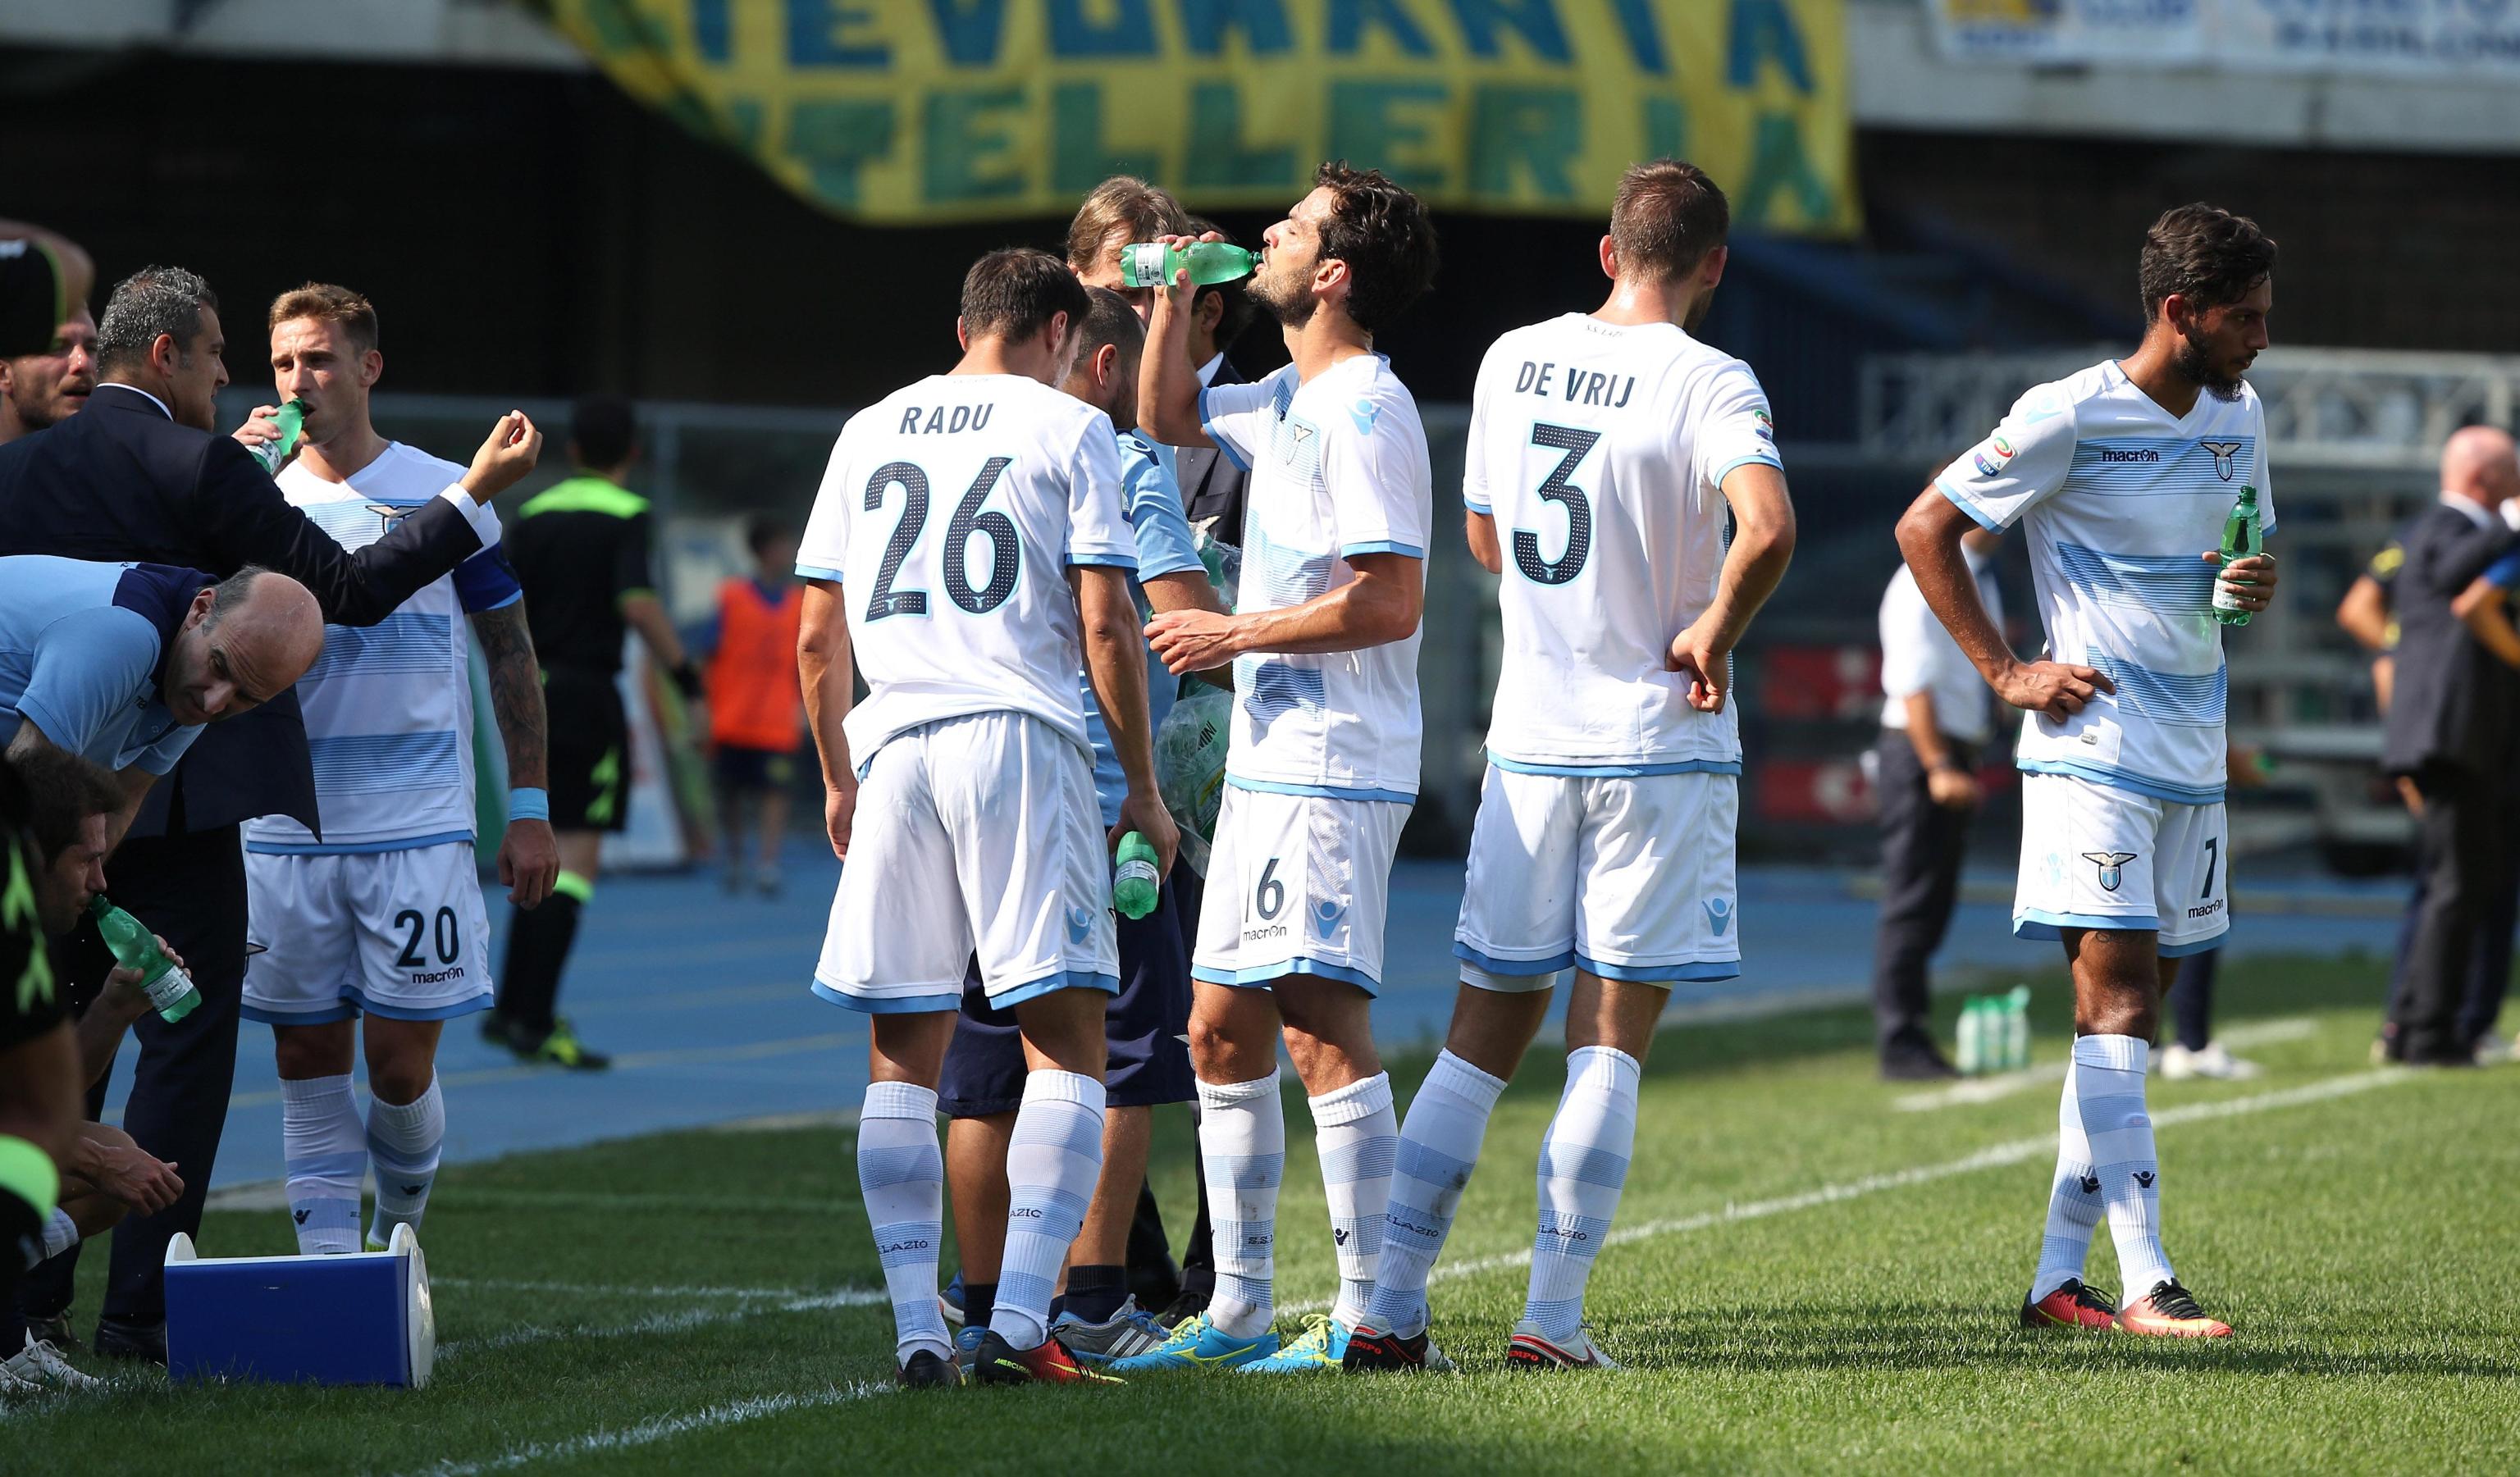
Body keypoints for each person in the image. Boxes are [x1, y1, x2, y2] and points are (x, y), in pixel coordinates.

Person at [0, 264, 541, 1363]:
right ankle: (140, 1308)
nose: (240, 380)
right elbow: (345, 591)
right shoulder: (206, 472)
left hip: (82, 800)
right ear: (169, 356)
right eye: (222, 357)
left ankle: (31, 1301)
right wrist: (472, 497)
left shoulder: (21, 465)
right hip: (176, 797)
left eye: (307, 360)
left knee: (54, 1034)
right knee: (187, 1040)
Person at [1342, 161, 1795, 1373]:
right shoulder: (1712, 377)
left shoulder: (1513, 356)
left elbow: (1486, 535)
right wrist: (1713, 627)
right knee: (1607, 1035)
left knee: (1476, 1036)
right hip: (1655, 741)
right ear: (1713, 265)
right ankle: (1550, 1318)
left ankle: (1387, 1309)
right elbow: (1768, 527)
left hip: (1532, 739)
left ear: (1607, 252)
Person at [1894, 203, 2283, 1340]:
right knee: (2116, 1003)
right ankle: (2149, 1279)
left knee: (2129, 1022)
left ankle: (2056, 1281)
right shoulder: (2067, 412)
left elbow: (2237, 563)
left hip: (2191, 754)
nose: (2262, 337)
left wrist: (2246, 587)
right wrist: (2007, 671)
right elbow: (1924, 528)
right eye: (2245, 317)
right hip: (2096, 752)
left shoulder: (2243, 412)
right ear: (2181, 312)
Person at [798, 248, 1175, 1388]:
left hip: (895, 743)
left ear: (964, 326)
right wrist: (1142, 789)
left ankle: (920, 1328)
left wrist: (837, 776)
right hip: (1019, 738)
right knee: (1069, 1038)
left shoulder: (867, 427)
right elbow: (1106, 623)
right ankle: (1018, 1324)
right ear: (1060, 332)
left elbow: (817, 635)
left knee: (902, 1052)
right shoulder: (1073, 427)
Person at [1115, 162, 1440, 1376]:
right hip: (1269, 760)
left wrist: (1234, 634)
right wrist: (1168, 298)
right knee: (1216, 1030)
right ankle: (1240, 1310)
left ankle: (1377, 1322)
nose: (1268, 233)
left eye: (1294, 227)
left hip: (1332, 762)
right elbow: (1166, 418)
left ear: (1334, 273)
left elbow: (1391, 600)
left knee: (1317, 1027)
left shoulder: (1367, 410)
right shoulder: (1288, 393)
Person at [235, 284, 559, 1256]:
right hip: (284, 825)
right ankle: (333, 1271)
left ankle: (400, 1230)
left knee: (399, 1065)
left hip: (415, 823)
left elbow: (511, 651)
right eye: (284, 363)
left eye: (319, 360)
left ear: (368, 368)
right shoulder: (251, 494)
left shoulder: (447, 489)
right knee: (306, 1053)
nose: (299, 381)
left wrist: (530, 804)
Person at [934, 288, 1224, 1369]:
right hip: (1090, 796)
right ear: (1103, 363)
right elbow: (1170, 614)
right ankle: (1091, 1298)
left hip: (958, 783)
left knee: (980, 1058)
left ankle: (979, 1304)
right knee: (1120, 1052)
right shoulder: (1113, 454)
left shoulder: (952, 443)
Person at [489, 394, 699, 1069]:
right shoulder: (628, 514)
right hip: (586, 697)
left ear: (573, 449)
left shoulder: (533, 513)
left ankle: (510, 1009)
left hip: (528, 691)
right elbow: (636, 602)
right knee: (573, 864)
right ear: (632, 452)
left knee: (534, 842)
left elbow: (500, 600)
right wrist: (688, 678)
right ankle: (536, 1020)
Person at [4, 746, 182, 1392]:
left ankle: (6, 1335)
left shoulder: (21, 929)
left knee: (113, 1157)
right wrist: (98, 1162)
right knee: (95, 1160)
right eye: (88, 860)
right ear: (34, 854)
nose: (102, 883)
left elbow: (40, 1096)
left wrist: (115, 1007)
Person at [2380, 426, 2520, 1067]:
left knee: (2456, 882)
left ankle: (2415, 1023)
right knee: (2456, 885)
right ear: (2486, 479)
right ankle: (2430, 1031)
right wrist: (2511, 522)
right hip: (2449, 734)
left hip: (2451, 734)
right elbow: (2454, 575)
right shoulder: (2445, 526)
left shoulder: (2444, 528)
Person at [1871, 522, 2004, 1080]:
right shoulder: (1920, 578)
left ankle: (1912, 1033)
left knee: (1934, 902)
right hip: (1923, 752)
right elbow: (1912, 681)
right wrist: (1939, 765)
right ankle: (1901, 1042)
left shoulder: (1978, 575)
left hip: (1951, 749)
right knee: (1912, 900)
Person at [705, 517, 806, 897]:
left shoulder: (799, 603)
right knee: (730, 796)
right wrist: (702, 708)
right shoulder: (731, 597)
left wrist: (805, 707)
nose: (788, 553)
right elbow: (707, 650)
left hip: (776, 719)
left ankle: (767, 863)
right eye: (782, 545)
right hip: (731, 717)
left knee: (775, 792)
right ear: (763, 550)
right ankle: (734, 857)